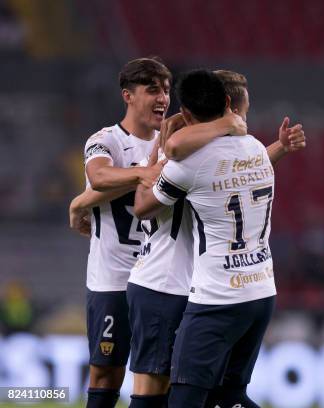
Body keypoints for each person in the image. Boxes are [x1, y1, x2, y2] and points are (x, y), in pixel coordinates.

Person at [68, 57, 246, 408]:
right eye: (152, 90)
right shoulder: (106, 140)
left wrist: (80, 204)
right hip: (113, 279)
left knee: (159, 380)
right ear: (128, 96)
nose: (163, 97)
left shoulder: (177, 142)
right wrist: (141, 174)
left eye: (166, 89)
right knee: (106, 373)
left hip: (161, 282)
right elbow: (101, 176)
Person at [127, 69, 304, 408]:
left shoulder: (189, 163)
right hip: (261, 291)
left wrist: (153, 164)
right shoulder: (254, 147)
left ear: (188, 115)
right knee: (229, 396)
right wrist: (280, 145)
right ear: (229, 104)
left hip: (217, 298)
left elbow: (143, 208)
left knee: (184, 399)